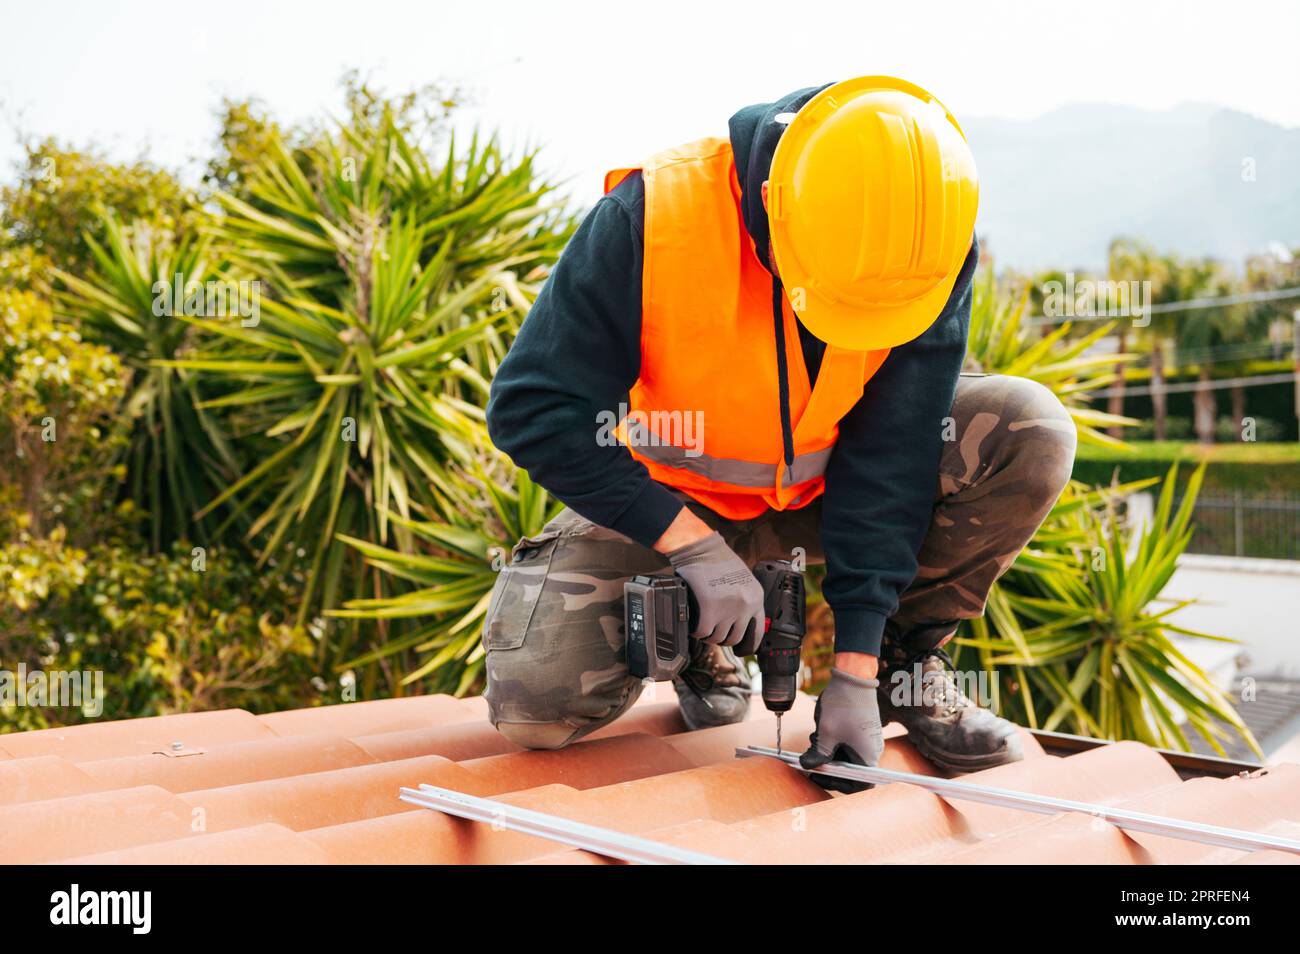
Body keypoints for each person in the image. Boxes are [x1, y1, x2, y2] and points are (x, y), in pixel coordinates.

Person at [483, 77, 1077, 779]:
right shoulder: (653, 216)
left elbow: (892, 456)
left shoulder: (926, 244)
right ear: (772, 204)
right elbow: (533, 409)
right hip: (667, 506)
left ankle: (901, 668)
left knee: (1030, 429)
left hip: (821, 501)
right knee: (535, 711)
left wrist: (851, 668)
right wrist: (692, 548)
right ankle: (702, 640)